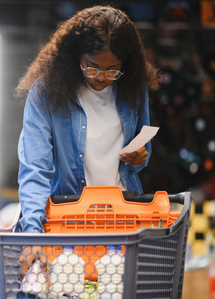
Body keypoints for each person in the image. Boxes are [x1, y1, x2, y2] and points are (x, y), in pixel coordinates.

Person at [15, 5, 162, 266]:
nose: (100, 78)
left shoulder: (134, 89)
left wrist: (140, 156)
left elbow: (142, 154)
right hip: (68, 223)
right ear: (75, 56)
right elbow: (35, 169)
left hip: (123, 222)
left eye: (111, 70)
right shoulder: (46, 93)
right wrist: (33, 232)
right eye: (91, 67)